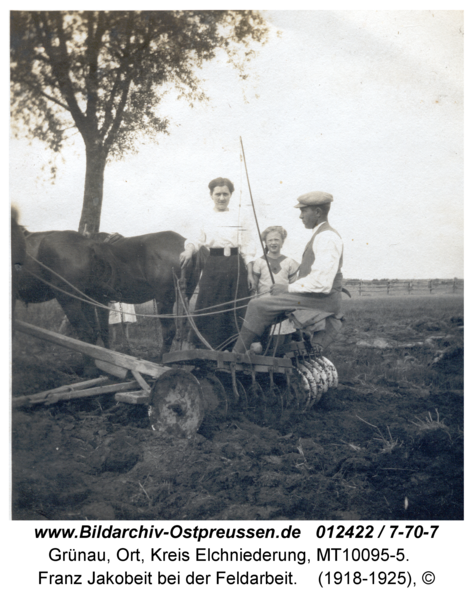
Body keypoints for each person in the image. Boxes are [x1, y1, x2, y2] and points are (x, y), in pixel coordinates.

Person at [233, 191, 343, 353]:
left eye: (304, 211)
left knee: (257, 306)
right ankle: (266, 351)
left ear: (318, 212)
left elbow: (322, 283)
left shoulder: (327, 237)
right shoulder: (321, 235)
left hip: (321, 300)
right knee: (262, 307)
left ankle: (236, 356)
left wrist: (287, 289)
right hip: (315, 297)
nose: (300, 216)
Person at [180, 177, 256, 350]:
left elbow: (248, 245)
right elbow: (195, 239)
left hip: (237, 266)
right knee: (211, 306)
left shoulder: (241, 217)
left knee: (237, 307)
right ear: (211, 195)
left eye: (225, 194)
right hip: (214, 265)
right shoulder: (204, 217)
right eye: (218, 194)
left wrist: (250, 273)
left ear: (231, 195)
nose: (222, 198)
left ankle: (236, 349)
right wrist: (188, 251)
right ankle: (208, 349)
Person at [252, 226, 299, 344]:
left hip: (283, 306)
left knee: (282, 340)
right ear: (265, 243)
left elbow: (294, 287)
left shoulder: (290, 262)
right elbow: (254, 288)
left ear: (282, 242)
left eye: (276, 240)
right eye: (270, 240)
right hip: (264, 306)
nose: (273, 243)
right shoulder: (259, 262)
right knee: (263, 341)